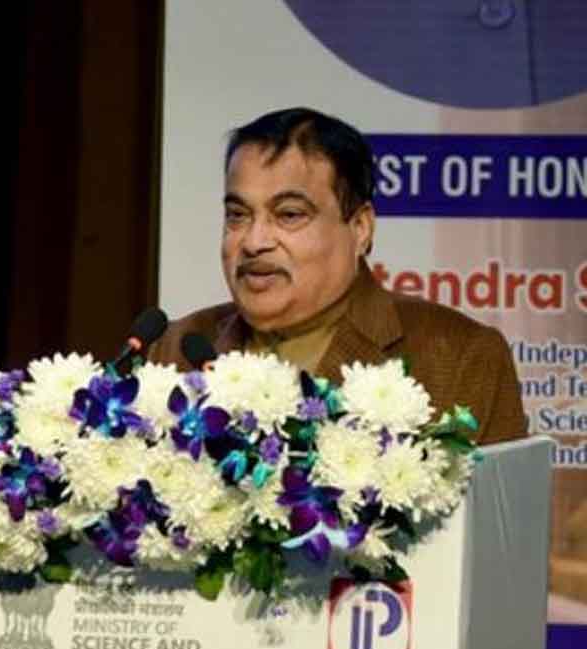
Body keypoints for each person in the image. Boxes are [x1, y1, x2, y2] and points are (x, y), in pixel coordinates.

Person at [148, 107, 526, 445]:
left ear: (360, 228)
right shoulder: (176, 349)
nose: (253, 242)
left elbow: (501, 504)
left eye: (289, 215)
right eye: (238, 216)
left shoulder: (460, 357)